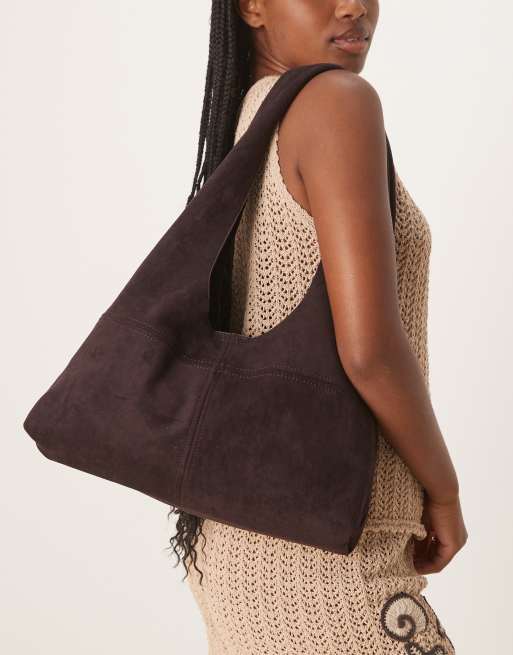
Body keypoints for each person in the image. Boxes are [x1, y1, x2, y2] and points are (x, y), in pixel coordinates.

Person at [167, 2, 468, 653]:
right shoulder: (335, 102)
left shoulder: (250, 118)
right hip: (328, 565)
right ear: (251, 5)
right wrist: (443, 491)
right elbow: (369, 351)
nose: (353, 5)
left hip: (235, 554)